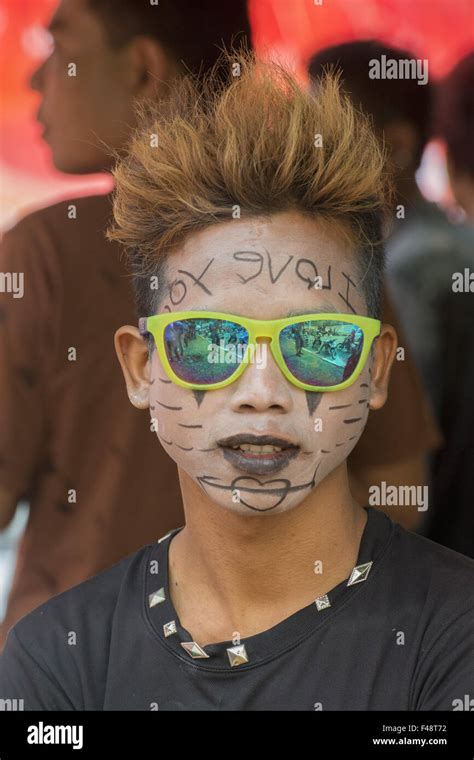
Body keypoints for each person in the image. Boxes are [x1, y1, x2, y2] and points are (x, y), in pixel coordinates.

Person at [1, 53, 472, 711]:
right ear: (142, 367)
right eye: (208, 341)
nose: (262, 392)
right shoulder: (58, 657)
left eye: (314, 343)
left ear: (372, 368)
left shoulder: (453, 640)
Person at [0, 0, 251, 650]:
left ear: (142, 68)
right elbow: (397, 483)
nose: (36, 78)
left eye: (60, 46)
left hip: (65, 676)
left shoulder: (44, 253)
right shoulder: (329, 250)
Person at [309, 40, 474, 556]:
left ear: (397, 143)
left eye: (322, 131)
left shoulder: (406, 270)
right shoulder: (450, 243)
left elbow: (394, 458)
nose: (303, 147)